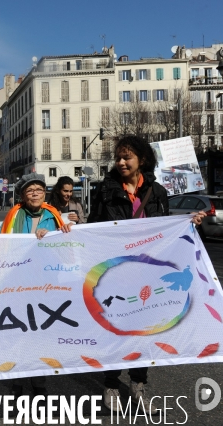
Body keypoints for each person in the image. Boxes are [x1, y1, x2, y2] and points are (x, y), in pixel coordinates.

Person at [87, 135, 206, 412]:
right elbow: (93, 227)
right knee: (116, 330)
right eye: (118, 157)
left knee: (146, 330)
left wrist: (190, 223)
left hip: (148, 273)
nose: (121, 162)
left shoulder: (158, 191)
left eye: (127, 157)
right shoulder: (105, 190)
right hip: (117, 272)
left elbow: (167, 228)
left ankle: (139, 383)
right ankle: (112, 384)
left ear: (141, 159)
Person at [0, 173, 73, 398]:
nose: (35, 193)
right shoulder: (14, 214)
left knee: (39, 332)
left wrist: (54, 235)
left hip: (45, 284)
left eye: (38, 189)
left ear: (44, 193)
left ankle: (39, 381)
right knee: (17, 331)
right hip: (16, 283)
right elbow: (2, 237)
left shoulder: (54, 216)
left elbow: (67, 250)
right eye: (30, 190)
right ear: (23, 195)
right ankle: (17, 380)